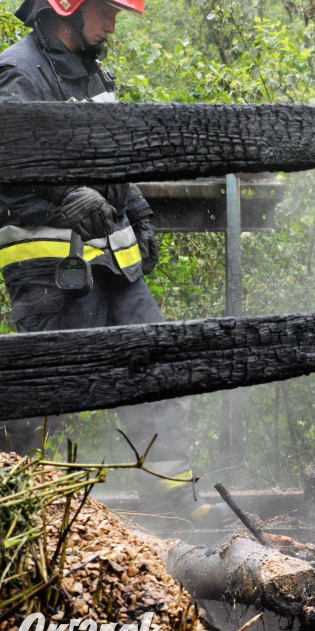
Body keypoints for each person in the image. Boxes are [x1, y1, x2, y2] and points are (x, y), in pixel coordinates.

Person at [0, 0, 225, 524]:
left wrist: (138, 210)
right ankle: (21, 506)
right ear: (65, 7)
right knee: (46, 389)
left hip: (117, 267)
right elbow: (7, 158)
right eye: (105, 10)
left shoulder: (94, 72)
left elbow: (115, 161)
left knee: (159, 367)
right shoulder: (18, 71)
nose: (112, 23)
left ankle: (172, 500)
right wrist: (62, 195)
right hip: (52, 271)